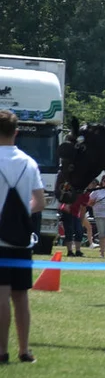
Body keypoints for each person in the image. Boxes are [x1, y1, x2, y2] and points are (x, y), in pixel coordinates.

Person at [0, 110, 45, 364]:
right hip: (22, 239)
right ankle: (25, 350)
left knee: (1, 295)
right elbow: (39, 202)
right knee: (21, 295)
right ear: (16, 132)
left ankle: (2, 351)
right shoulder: (30, 163)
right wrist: (18, 214)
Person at [60, 189, 90, 257]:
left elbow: (83, 208)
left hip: (76, 214)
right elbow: (64, 198)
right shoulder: (72, 189)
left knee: (79, 231)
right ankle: (70, 251)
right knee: (69, 232)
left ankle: (78, 251)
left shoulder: (85, 195)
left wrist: (81, 221)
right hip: (67, 212)